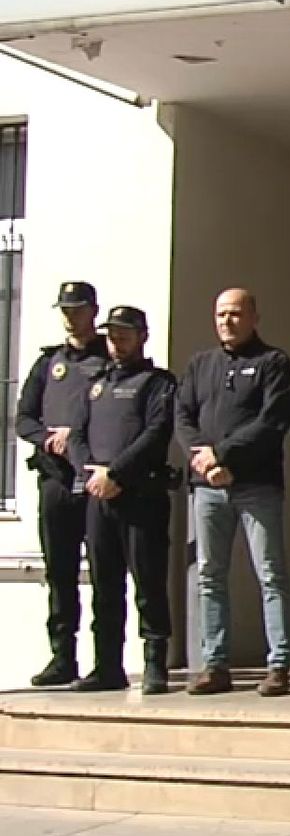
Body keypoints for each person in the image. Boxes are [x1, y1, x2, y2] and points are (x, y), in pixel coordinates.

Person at [177, 288, 290, 697]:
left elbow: (271, 422)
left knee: (270, 574)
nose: (227, 321)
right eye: (220, 314)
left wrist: (223, 454)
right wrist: (202, 459)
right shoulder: (200, 364)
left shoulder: (273, 363)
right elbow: (183, 417)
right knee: (209, 574)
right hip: (206, 488)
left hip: (256, 486)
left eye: (235, 313)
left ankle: (279, 664)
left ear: (254, 317)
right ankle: (214, 664)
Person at [66, 306, 176, 693]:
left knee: (148, 582)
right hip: (99, 498)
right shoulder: (95, 383)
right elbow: (76, 435)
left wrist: (116, 474)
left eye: (125, 334)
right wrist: (91, 474)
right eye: (112, 335)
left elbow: (156, 434)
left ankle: (155, 664)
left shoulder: (158, 383)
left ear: (142, 336)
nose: (117, 342)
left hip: (141, 497)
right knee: (104, 584)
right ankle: (107, 665)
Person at [15, 281, 108, 687]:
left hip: (95, 482)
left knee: (104, 572)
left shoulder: (109, 358)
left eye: (78, 309)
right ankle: (62, 657)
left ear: (93, 311)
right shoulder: (48, 363)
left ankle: (106, 660)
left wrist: (79, 435)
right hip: (55, 480)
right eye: (66, 310)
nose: (71, 317)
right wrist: (47, 439)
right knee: (59, 572)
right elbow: (23, 418)